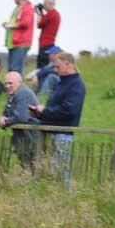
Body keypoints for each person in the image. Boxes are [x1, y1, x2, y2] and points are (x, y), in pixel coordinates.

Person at [29, 52, 86, 186]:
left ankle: (62, 197)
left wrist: (45, 110)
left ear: (68, 64)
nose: (55, 70)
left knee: (60, 172)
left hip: (62, 134)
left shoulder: (76, 85)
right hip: (53, 131)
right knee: (52, 170)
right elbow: (56, 108)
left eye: (58, 66)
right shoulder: (63, 83)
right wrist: (39, 113)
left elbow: (69, 111)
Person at [0, 71, 39, 169]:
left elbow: (21, 117)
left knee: (31, 165)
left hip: (31, 136)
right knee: (25, 165)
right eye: (6, 83)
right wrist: (1, 118)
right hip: (22, 137)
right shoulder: (13, 95)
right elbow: (6, 112)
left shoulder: (23, 93)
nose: (7, 86)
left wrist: (5, 122)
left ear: (19, 83)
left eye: (10, 83)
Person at [2, 0, 34, 73]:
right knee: (11, 70)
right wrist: (7, 24)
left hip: (21, 44)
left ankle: (18, 86)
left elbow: (26, 23)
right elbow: (16, 22)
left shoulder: (28, 8)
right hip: (12, 43)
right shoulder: (17, 8)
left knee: (15, 71)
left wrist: (11, 26)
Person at [36, 0, 61, 69]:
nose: (43, 6)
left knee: (41, 67)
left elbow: (39, 24)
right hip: (50, 43)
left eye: (44, 4)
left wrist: (39, 13)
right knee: (47, 65)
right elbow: (45, 22)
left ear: (49, 4)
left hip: (45, 44)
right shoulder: (55, 14)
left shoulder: (50, 13)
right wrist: (42, 14)